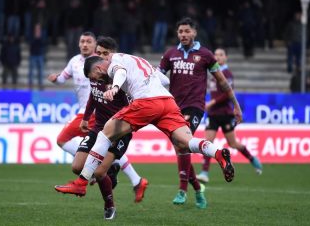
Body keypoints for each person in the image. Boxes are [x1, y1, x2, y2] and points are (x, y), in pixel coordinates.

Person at [55, 51, 238, 201]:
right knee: (185, 142)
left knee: (105, 134)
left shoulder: (113, 61)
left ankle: (81, 183)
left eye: (94, 76)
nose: (99, 80)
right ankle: (217, 153)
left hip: (145, 102)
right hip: (167, 102)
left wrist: (116, 87)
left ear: (98, 67)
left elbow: (119, 72)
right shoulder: (138, 60)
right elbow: (165, 81)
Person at [157, 17, 242, 208]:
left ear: (194, 33)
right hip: (172, 108)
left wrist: (236, 105)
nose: (184, 35)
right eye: (180, 32)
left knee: (182, 146)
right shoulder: (170, 54)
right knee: (182, 147)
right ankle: (197, 191)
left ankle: (182, 190)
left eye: (187, 31)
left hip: (194, 107)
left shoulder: (206, 55)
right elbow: (157, 77)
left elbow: (222, 82)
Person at [69, 37, 148, 219]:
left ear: (114, 54)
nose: (102, 56)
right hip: (98, 127)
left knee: (98, 171)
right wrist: (86, 118)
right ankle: (111, 168)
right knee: (77, 166)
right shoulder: (95, 71)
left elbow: (135, 105)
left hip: (119, 130)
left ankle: (109, 205)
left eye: (105, 53)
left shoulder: (121, 77)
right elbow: (93, 96)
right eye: (99, 52)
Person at [196, 48, 262, 183]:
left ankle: (253, 159)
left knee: (233, 143)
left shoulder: (227, 74)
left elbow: (227, 93)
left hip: (225, 114)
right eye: (216, 55)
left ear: (225, 58)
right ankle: (204, 172)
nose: (218, 57)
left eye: (221, 55)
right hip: (213, 114)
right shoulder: (212, 73)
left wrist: (211, 102)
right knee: (208, 142)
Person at [47, 31, 97, 156]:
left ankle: (87, 160)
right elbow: (62, 79)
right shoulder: (74, 61)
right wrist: (56, 79)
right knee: (105, 148)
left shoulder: (99, 62)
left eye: (88, 42)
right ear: (79, 44)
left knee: (62, 139)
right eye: (82, 41)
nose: (85, 44)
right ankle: (135, 177)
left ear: (95, 45)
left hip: (93, 112)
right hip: (85, 111)